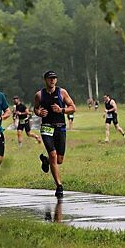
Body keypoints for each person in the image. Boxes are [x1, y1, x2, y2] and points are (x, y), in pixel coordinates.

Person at [34, 70, 75, 198]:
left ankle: (45, 161)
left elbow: (73, 107)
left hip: (60, 128)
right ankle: (59, 186)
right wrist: (39, 113)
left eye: (54, 78)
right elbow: (35, 108)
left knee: (59, 160)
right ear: (45, 80)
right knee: (53, 154)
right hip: (46, 128)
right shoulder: (39, 95)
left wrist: (61, 110)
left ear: (56, 80)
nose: (52, 80)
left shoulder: (62, 92)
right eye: (50, 78)